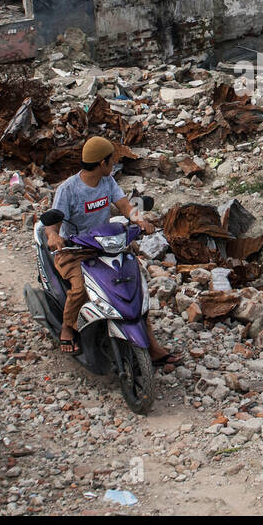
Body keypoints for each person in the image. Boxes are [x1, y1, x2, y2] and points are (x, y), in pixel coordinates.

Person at [44, 136, 179, 368]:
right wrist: (54, 236)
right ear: (101, 163)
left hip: (105, 247)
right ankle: (68, 326)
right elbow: (52, 222)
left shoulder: (107, 182)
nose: (114, 164)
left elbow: (125, 205)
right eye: (111, 161)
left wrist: (140, 220)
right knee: (80, 287)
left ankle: (151, 345)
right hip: (75, 251)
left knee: (133, 286)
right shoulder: (68, 189)